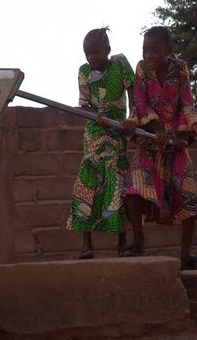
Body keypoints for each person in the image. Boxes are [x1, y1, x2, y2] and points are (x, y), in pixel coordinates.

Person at [122, 26, 197, 270]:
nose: (148, 55)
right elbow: (140, 102)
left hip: (175, 139)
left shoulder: (180, 68)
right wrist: (156, 132)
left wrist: (182, 135)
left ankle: (185, 256)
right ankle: (139, 242)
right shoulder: (142, 70)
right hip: (149, 136)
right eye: (144, 50)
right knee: (133, 188)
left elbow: (187, 102)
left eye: (155, 50)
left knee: (191, 195)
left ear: (168, 50)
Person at [66, 27, 135, 259]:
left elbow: (133, 92)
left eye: (95, 53)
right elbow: (85, 104)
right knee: (88, 184)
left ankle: (122, 245)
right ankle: (86, 245)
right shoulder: (84, 72)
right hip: (94, 134)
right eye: (87, 54)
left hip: (117, 133)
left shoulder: (120, 64)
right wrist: (91, 114)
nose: (91, 58)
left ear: (107, 50)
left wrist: (132, 119)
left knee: (117, 184)